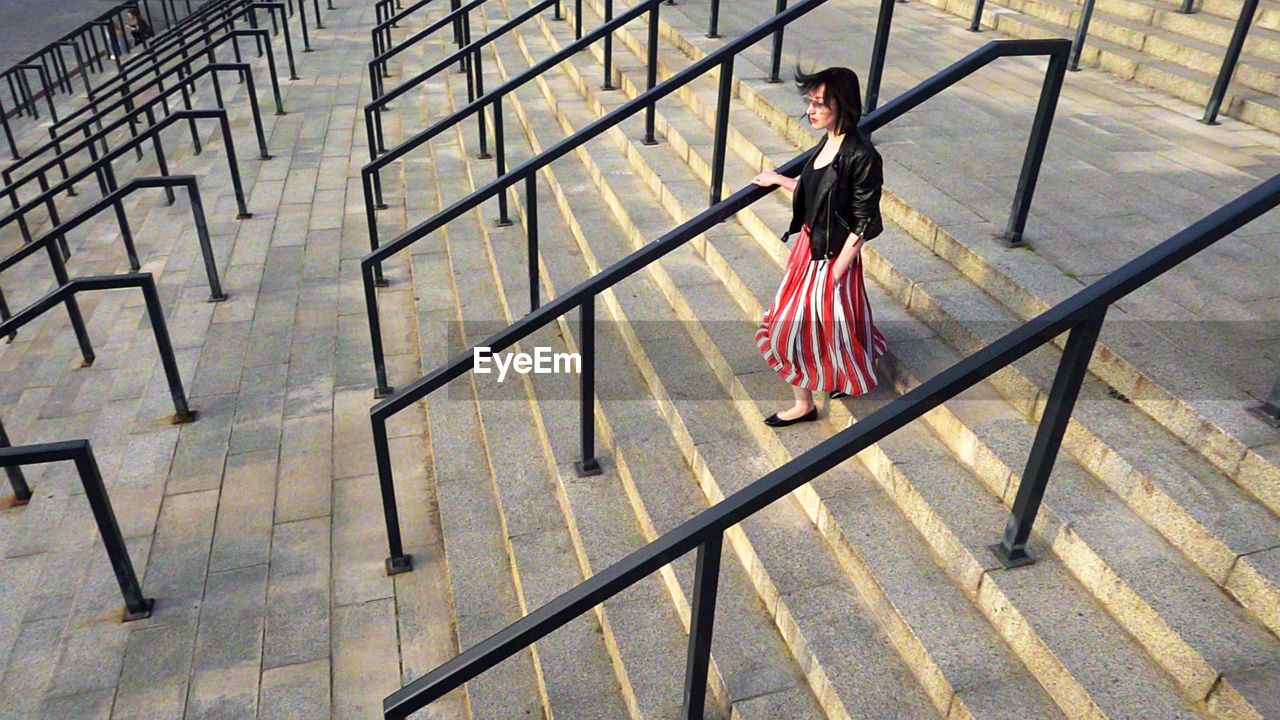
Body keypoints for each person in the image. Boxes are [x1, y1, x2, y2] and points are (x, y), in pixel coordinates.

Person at [751, 66, 887, 427]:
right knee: (832, 324)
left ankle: (804, 405)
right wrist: (780, 179)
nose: (810, 110)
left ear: (842, 105)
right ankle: (824, 387)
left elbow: (862, 222)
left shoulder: (862, 156)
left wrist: (835, 273)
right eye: (809, 102)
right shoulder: (828, 140)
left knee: (788, 327)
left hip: (831, 257)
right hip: (810, 248)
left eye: (819, 104)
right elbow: (819, 195)